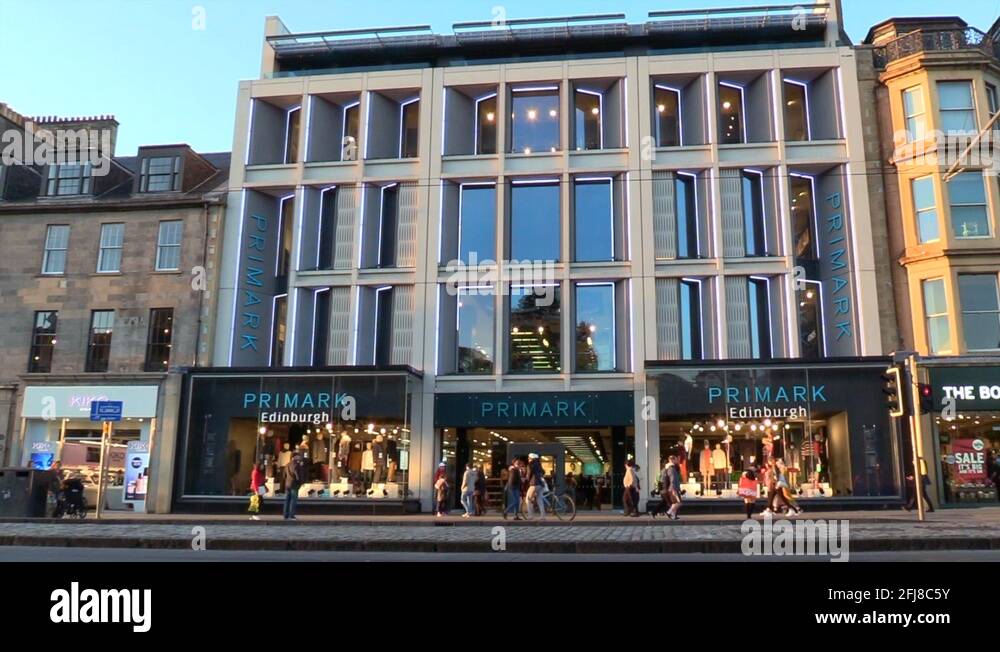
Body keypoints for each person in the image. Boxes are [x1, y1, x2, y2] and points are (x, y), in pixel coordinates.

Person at [283, 451, 304, 520]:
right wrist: (300, 483)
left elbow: (284, 475)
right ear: (294, 457)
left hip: (287, 484)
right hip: (294, 484)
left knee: (287, 500)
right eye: (298, 456)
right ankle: (291, 515)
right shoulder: (296, 465)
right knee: (293, 500)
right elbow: (298, 476)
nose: (299, 457)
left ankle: (286, 514)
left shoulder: (287, 465)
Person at [525, 453, 546, 520]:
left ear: (531, 458)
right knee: (540, 500)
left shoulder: (530, 465)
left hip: (534, 484)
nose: (528, 459)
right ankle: (543, 516)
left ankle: (530, 516)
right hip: (541, 484)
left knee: (528, 499)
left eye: (529, 458)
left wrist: (526, 480)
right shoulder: (539, 464)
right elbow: (543, 472)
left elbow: (529, 474)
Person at [664, 454, 683, 520]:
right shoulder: (671, 468)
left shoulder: (670, 468)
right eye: (675, 459)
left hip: (673, 488)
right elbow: (672, 479)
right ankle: (669, 512)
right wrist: (674, 489)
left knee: (674, 503)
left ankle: (673, 515)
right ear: (672, 460)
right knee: (679, 502)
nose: (676, 461)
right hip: (673, 488)